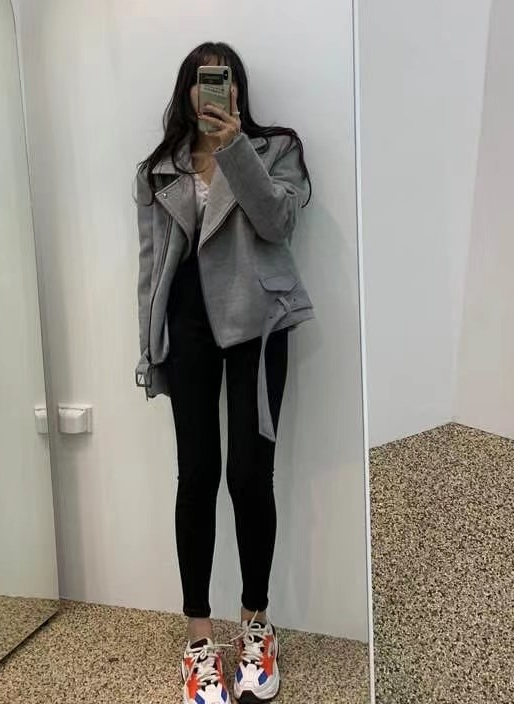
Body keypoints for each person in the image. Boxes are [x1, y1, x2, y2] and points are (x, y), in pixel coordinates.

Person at [135, 42, 314, 704]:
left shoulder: (275, 149)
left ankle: (256, 626)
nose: (212, 89)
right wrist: (149, 346)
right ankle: (199, 642)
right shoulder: (159, 169)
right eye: (202, 79)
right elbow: (150, 265)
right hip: (187, 329)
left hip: (257, 326)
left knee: (248, 476)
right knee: (197, 477)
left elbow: (278, 221)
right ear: (186, 89)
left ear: (237, 89)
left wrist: (234, 145)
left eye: (224, 78)